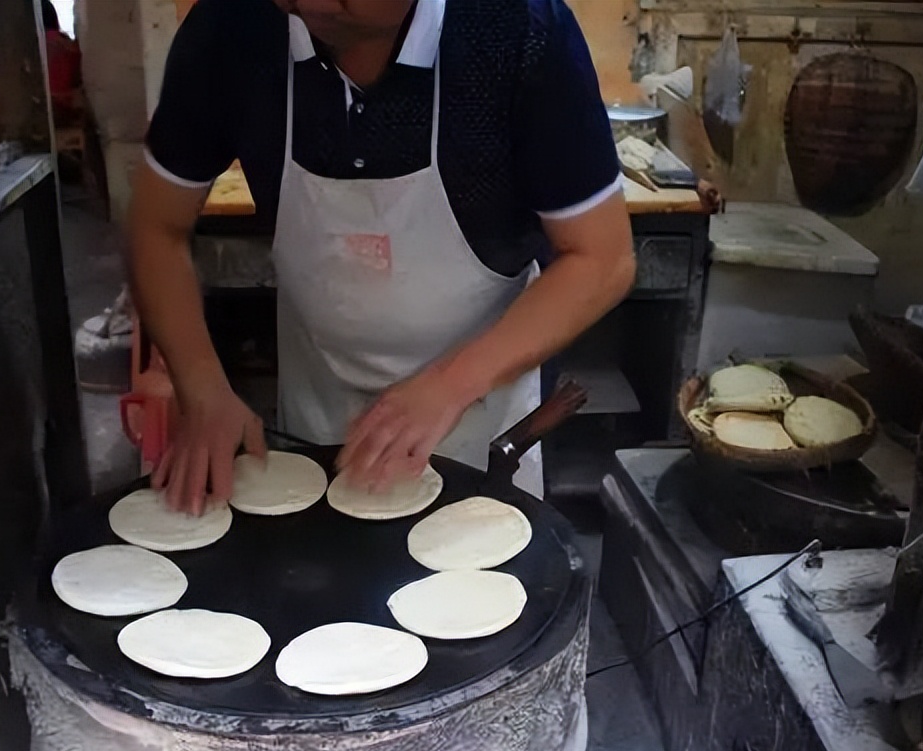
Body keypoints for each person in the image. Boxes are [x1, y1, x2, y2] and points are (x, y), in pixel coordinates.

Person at [131, 0, 635, 515]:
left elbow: (602, 258)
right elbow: (156, 226)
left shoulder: (518, 30)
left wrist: (451, 384)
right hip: (318, 410)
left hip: (480, 407)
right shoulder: (232, 25)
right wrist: (199, 384)